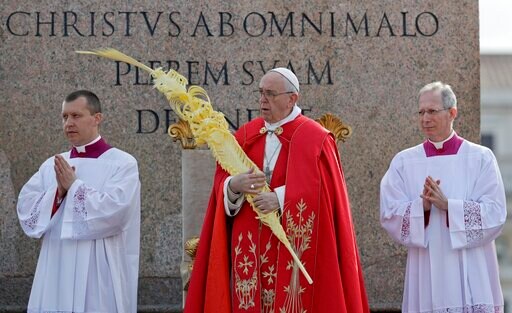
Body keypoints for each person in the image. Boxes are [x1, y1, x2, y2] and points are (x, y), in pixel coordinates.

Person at [184, 68, 369, 313]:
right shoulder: (245, 135)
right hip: (249, 248)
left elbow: (328, 195)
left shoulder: (317, 139)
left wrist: (281, 198)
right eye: (260, 93)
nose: (263, 100)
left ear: (292, 99)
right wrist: (234, 186)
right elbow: (221, 185)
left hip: (293, 250)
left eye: (271, 94)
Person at [380, 81, 506, 313]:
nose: (425, 118)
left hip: (471, 268)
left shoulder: (480, 158)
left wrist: (450, 207)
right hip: (425, 270)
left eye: (431, 111)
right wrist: (422, 208)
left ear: (452, 113)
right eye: (421, 112)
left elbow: (496, 213)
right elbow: (389, 213)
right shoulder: (404, 162)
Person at [17, 90, 141, 313]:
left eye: (76, 116)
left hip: (97, 266)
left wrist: (75, 187)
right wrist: (58, 194)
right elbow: (27, 209)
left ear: (97, 118)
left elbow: (117, 211)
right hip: (57, 262)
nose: (68, 123)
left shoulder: (122, 163)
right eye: (65, 117)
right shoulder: (52, 165)